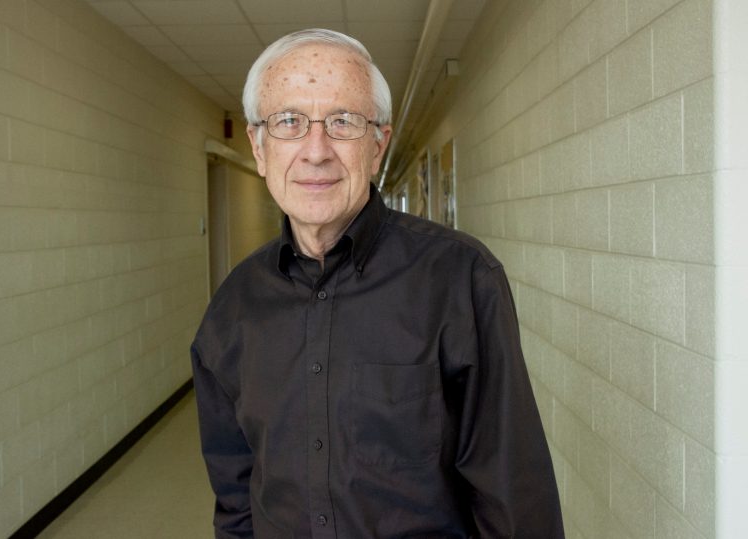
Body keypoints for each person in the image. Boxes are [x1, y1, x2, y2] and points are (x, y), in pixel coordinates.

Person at [191, 28, 564, 538]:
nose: (315, 150)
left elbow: (513, 497)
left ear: (377, 146)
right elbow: (236, 499)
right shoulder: (232, 308)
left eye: (343, 122)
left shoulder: (460, 279)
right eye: (289, 122)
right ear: (259, 147)